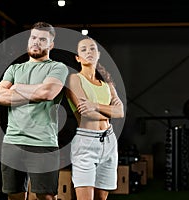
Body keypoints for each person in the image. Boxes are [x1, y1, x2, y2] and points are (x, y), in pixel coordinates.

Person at [0, 22, 69, 200]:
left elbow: (47, 93)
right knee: (14, 196)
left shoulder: (57, 68)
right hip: (13, 141)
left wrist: (17, 88)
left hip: (43, 143)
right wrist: (34, 93)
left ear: (51, 45)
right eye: (33, 38)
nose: (36, 42)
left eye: (42, 39)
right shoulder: (14, 69)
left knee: (46, 197)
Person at [66, 37, 124, 200]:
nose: (88, 52)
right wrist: (109, 110)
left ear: (98, 54)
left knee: (101, 198)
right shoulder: (74, 79)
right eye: (83, 50)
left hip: (109, 141)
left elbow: (120, 112)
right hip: (86, 143)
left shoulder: (107, 84)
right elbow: (87, 114)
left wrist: (95, 106)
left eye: (92, 49)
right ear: (77, 58)